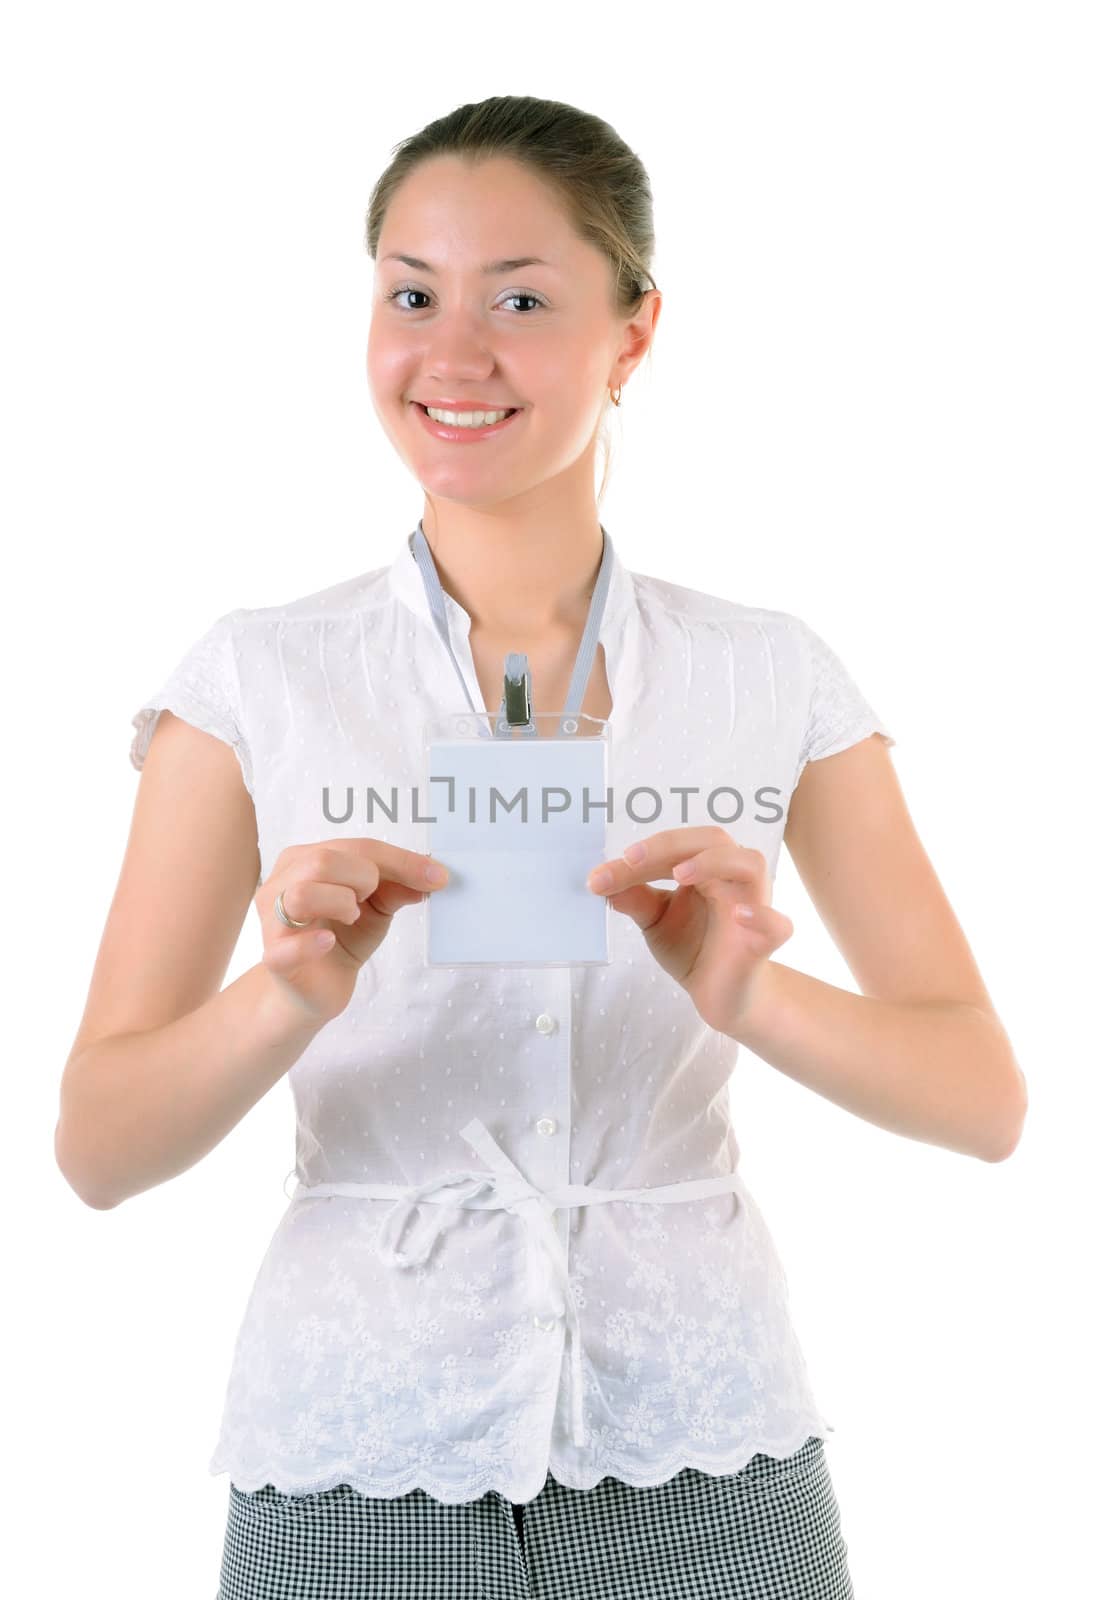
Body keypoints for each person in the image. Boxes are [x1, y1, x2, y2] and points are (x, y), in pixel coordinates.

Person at [56, 94, 1027, 1600]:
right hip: (355, 1454)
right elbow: (100, 1152)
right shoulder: (256, 679)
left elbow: (981, 1102)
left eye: (519, 298)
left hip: (706, 1454)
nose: (453, 354)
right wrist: (285, 999)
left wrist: (747, 993)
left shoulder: (767, 674)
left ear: (633, 334)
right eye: (408, 295)